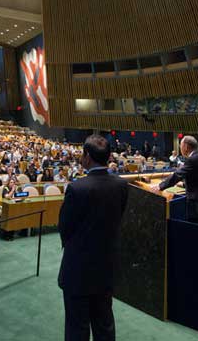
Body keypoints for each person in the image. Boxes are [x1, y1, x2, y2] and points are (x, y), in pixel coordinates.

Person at [59, 134, 129, 341]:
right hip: (106, 266)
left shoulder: (77, 188)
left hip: (78, 270)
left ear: (87, 156)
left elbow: (65, 227)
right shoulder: (121, 185)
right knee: (104, 325)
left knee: (77, 329)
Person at [156, 135, 198, 226]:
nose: (180, 148)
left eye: (180, 145)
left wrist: (160, 186)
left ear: (185, 146)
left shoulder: (192, 159)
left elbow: (177, 175)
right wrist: (184, 185)